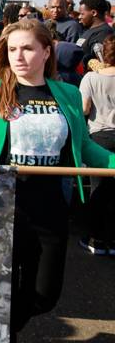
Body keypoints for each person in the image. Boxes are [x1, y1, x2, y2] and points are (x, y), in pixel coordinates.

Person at [0, 18, 115, 337]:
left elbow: (85, 144)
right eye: (12, 49)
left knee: (44, 296)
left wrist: (112, 161)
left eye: (28, 48)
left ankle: (3, 331)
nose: (18, 56)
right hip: (1, 205)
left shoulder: (69, 94)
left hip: (50, 207)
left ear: (46, 52)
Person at [78, 35, 115, 254]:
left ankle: (96, 239)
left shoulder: (91, 78)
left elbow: (84, 108)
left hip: (99, 135)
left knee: (98, 189)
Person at [77, 0, 113, 68]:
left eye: (82, 14)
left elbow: (103, 64)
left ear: (94, 13)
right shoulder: (89, 30)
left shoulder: (104, 33)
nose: (79, 17)